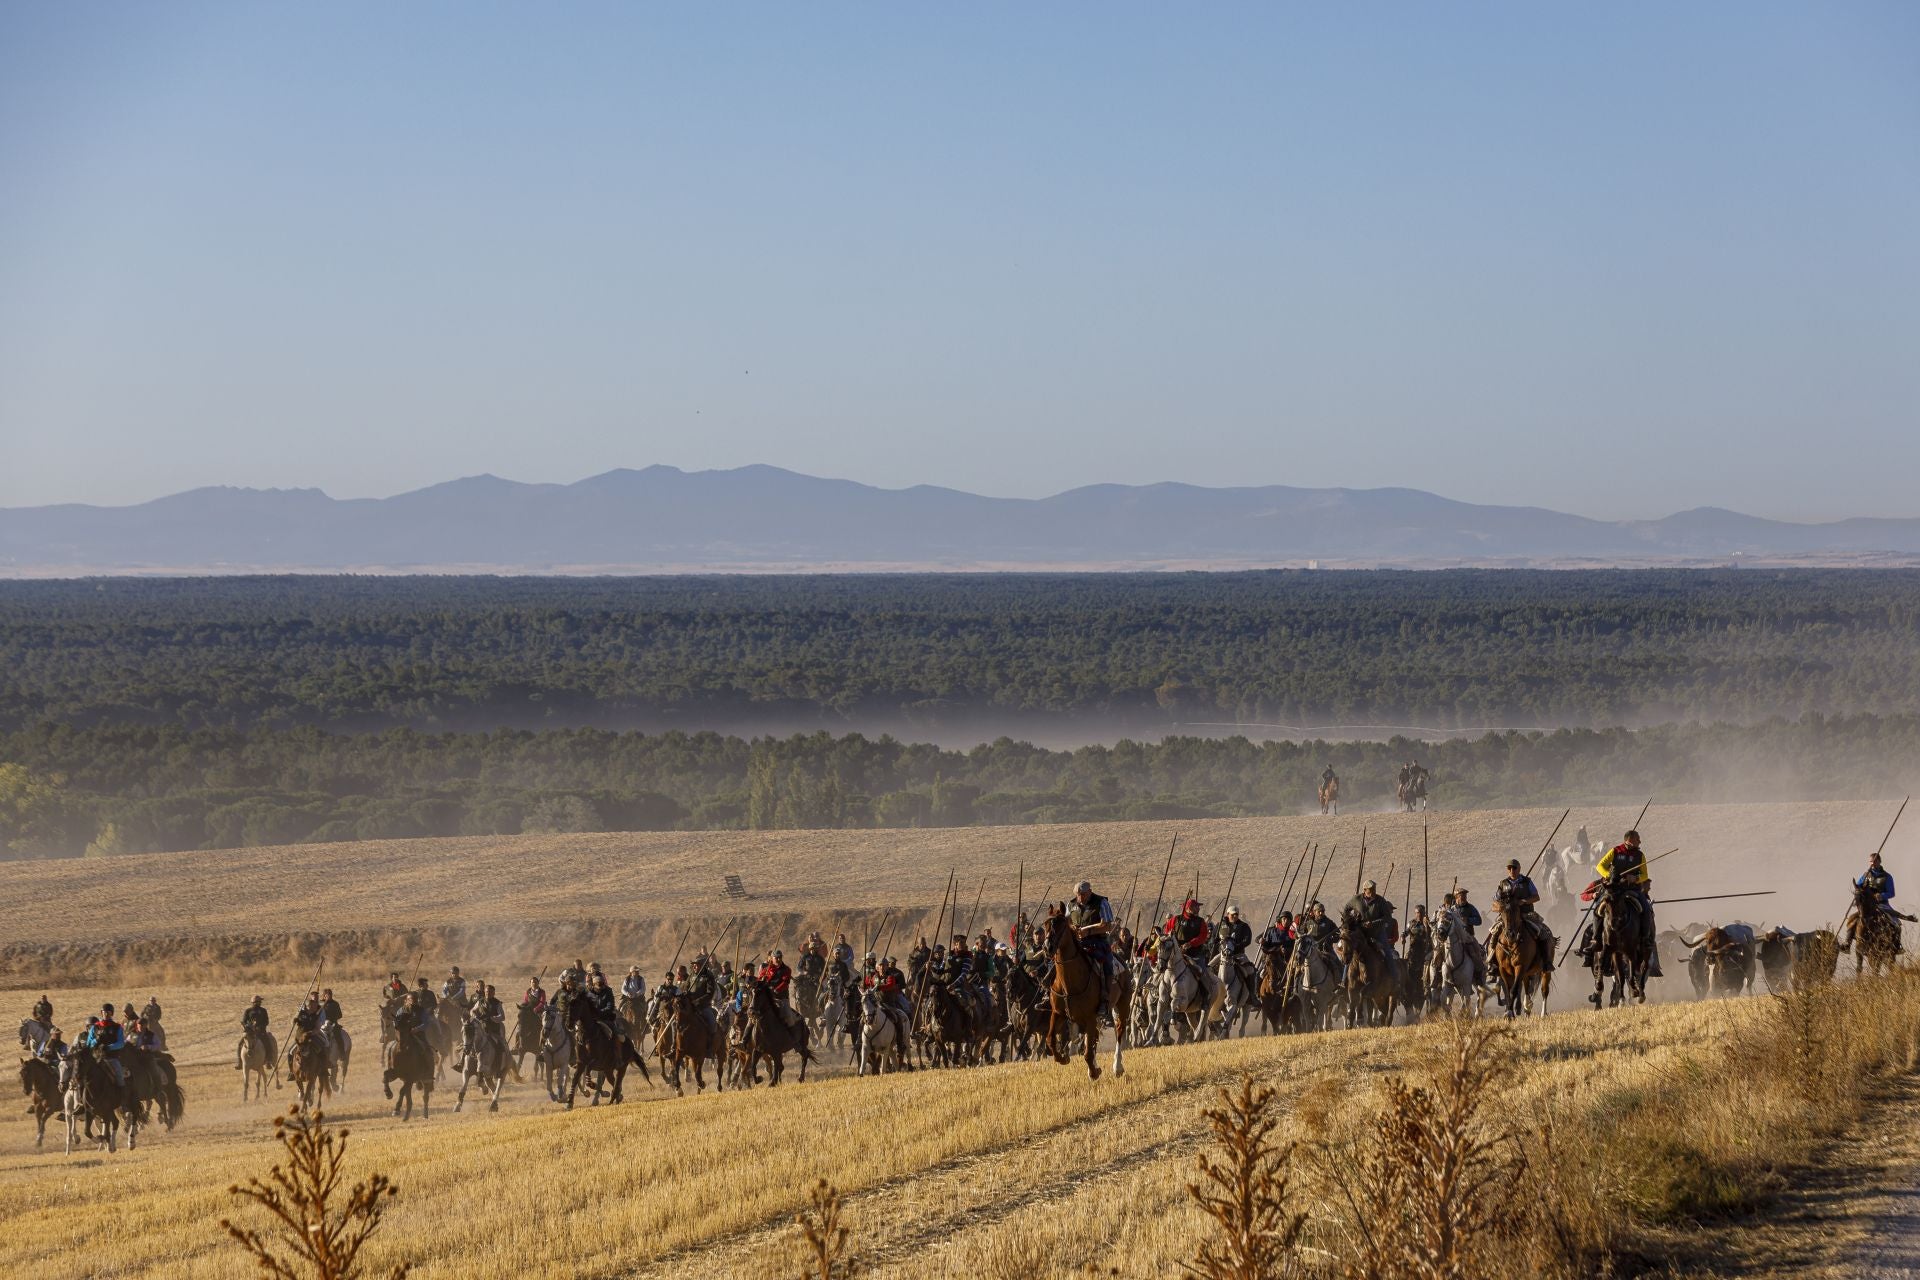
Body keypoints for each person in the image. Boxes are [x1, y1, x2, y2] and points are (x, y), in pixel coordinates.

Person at [1584, 829, 1663, 977]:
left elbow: (1644, 874)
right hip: (1614, 889)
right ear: (1629, 840)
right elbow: (1600, 866)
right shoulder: (1615, 851)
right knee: (1597, 910)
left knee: (1647, 909)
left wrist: (1635, 879)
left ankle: (1645, 939)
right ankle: (1596, 940)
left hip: (1632, 889)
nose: (1640, 842)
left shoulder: (1640, 855)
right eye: (1638, 839)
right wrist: (1611, 876)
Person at [1066, 880, 1121, 1020]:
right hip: (1077, 943)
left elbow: (1107, 926)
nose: (1080, 898)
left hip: (1097, 943)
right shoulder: (1071, 905)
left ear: (1090, 891)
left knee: (1106, 964)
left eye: (1083, 894)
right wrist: (1073, 928)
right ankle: (1049, 995)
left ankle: (1105, 998)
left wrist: (1089, 932)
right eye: (1078, 895)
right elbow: (1067, 922)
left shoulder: (1101, 903)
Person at [1492, 858, 1555, 970]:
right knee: (1494, 933)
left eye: (1514, 868)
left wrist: (1524, 901)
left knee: (1542, 932)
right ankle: (1492, 962)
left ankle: (1546, 961)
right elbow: (1495, 901)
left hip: (1526, 914)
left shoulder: (1527, 882)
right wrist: (1500, 907)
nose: (1512, 870)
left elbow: (1536, 897)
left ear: (1519, 869)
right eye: (1509, 868)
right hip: (1508, 916)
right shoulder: (1503, 883)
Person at [1841, 850, 1901, 954]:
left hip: (1882, 904)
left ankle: (1897, 946)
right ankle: (1847, 944)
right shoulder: (1866, 874)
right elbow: (1858, 887)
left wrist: (1881, 895)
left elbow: (1891, 893)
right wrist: (1858, 892)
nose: (1872, 863)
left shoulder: (1887, 877)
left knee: (1896, 922)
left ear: (1879, 861)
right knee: (1852, 918)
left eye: (1874, 861)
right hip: (1867, 905)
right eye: (1871, 861)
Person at [81, 1003, 126, 1087]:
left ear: (112, 1013)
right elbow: (88, 1044)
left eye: (108, 1012)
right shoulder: (95, 1027)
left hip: (111, 1058)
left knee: (119, 1075)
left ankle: (122, 1091)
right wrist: (96, 1040)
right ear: (101, 1013)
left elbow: (121, 1043)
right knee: (80, 1074)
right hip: (95, 1058)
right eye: (104, 1012)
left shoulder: (117, 1027)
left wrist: (108, 1047)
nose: (106, 1014)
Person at [469, 983, 507, 1058]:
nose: (488, 993)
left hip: (493, 1028)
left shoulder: (497, 1003)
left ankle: (500, 1060)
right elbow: (472, 1010)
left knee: (500, 1046)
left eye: (490, 992)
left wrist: (493, 1018)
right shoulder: (480, 1001)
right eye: (486, 992)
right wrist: (475, 1015)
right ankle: (462, 1060)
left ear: (494, 993)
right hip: (480, 1026)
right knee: (468, 1041)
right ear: (484, 992)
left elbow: (502, 1017)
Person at [238, 996, 272, 1071]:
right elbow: (244, 1021)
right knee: (240, 1044)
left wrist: (260, 1026)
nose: (260, 1003)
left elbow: (266, 1022)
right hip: (250, 1033)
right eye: (259, 1001)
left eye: (260, 1002)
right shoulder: (248, 1011)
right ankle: (240, 1062)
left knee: (268, 1043)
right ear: (255, 1002)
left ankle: (268, 1061)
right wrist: (249, 1026)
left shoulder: (263, 1010)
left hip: (261, 1032)